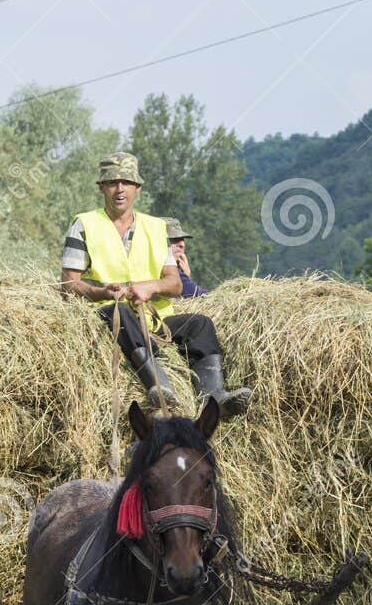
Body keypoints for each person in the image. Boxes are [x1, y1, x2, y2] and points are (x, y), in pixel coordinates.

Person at [61, 154, 250, 417]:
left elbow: (174, 284)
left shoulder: (156, 227)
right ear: (101, 187)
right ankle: (159, 385)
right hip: (110, 316)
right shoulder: (84, 224)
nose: (119, 189)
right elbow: (69, 283)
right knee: (119, 312)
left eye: (126, 182)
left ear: (137, 188)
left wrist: (150, 287)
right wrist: (100, 292)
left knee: (201, 324)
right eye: (113, 182)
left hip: (154, 321)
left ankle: (214, 397)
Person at [166, 219, 207, 297]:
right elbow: (205, 296)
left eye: (182, 240)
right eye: (174, 239)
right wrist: (184, 279)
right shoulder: (169, 270)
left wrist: (186, 277)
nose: (182, 244)